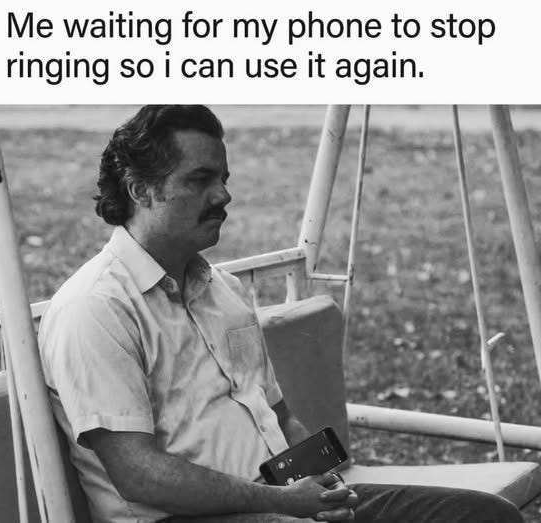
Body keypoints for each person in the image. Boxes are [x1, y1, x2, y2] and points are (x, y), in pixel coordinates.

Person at [38, 105, 523, 523]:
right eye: (201, 180)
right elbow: (139, 475)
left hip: (278, 500)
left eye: (223, 179)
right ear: (140, 190)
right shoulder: (96, 308)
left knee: (484, 515)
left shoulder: (222, 290)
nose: (223, 195)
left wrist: (324, 486)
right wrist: (285, 502)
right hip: (187, 517)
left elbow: (278, 414)